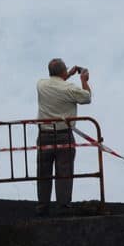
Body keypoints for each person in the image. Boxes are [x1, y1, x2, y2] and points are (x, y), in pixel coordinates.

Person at [35, 58, 92, 215]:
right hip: (64, 135)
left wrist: (67, 75)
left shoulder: (40, 85)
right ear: (63, 71)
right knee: (64, 171)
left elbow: (56, 84)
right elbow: (87, 97)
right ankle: (63, 205)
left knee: (43, 171)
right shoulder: (70, 88)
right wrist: (83, 79)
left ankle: (42, 205)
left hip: (44, 134)